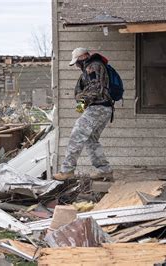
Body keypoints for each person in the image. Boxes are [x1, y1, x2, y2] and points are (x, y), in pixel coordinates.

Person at [53, 47, 114, 181]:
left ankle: (67, 170)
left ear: (83, 57)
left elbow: (95, 90)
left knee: (77, 135)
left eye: (76, 61)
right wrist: (82, 107)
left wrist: (81, 104)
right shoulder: (96, 66)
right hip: (104, 108)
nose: (76, 65)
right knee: (91, 140)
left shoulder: (93, 67)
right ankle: (104, 170)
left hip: (98, 108)